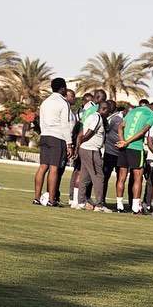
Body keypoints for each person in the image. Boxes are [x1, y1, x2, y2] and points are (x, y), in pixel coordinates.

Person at [34, 78, 73, 206]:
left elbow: (41, 121)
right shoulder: (63, 103)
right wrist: (69, 144)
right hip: (57, 137)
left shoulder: (45, 102)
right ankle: (51, 200)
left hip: (45, 135)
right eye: (65, 87)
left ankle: (37, 198)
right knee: (54, 168)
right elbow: (65, 124)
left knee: (42, 167)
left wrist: (44, 132)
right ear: (62, 88)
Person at [115, 101, 153, 213]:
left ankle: (119, 205)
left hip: (124, 148)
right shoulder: (152, 114)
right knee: (138, 177)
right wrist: (127, 142)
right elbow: (143, 131)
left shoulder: (132, 111)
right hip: (136, 148)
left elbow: (120, 127)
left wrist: (122, 140)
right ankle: (135, 207)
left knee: (121, 177)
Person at [76, 101, 113, 212]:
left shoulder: (91, 116)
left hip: (85, 149)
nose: (108, 114)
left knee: (85, 177)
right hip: (91, 150)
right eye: (108, 111)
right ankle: (99, 205)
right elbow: (89, 132)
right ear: (104, 109)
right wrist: (83, 141)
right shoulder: (97, 118)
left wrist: (80, 145)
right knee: (99, 177)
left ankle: (81, 202)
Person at [53, 88, 77, 206]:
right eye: (72, 96)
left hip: (67, 143)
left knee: (60, 171)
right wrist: (68, 145)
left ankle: (55, 195)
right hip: (62, 142)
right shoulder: (64, 110)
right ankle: (52, 195)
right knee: (57, 170)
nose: (74, 99)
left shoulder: (72, 112)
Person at [102, 100, 124, 205]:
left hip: (119, 153)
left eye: (110, 106)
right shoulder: (111, 118)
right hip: (110, 152)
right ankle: (101, 199)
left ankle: (119, 203)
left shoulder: (116, 119)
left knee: (120, 178)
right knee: (105, 176)